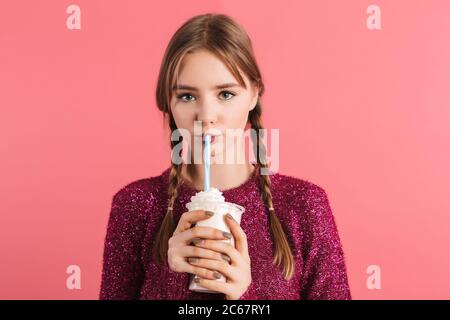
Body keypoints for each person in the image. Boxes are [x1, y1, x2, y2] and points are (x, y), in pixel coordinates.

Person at [99, 13, 351, 300]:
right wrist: (171, 281)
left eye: (226, 94)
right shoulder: (135, 206)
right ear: (167, 102)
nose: (206, 116)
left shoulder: (304, 206)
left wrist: (244, 296)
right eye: (187, 96)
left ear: (254, 94)